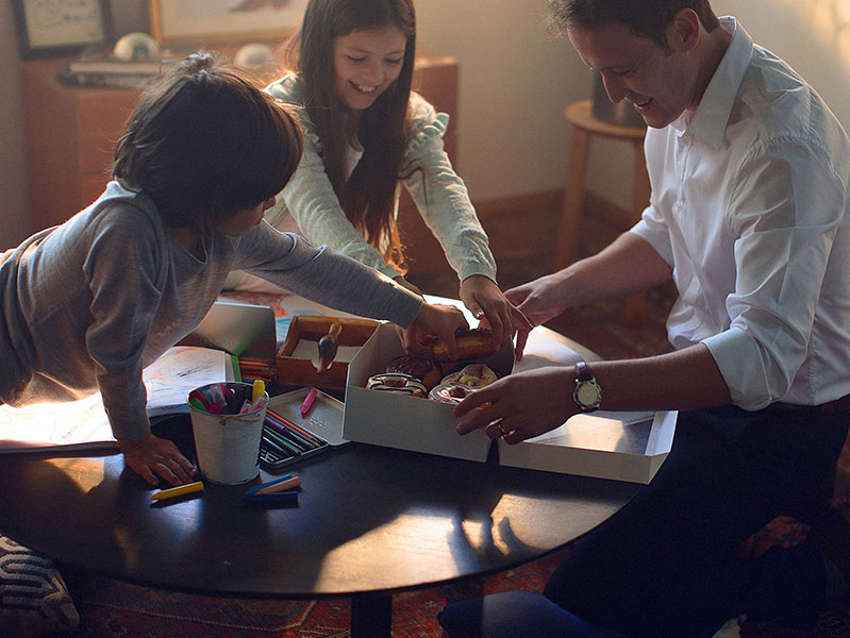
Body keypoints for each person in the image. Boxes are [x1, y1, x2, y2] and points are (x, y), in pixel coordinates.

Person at [440, 1, 850, 636]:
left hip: (781, 424)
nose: (611, 93)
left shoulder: (782, 147)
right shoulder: (674, 97)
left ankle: (796, 568)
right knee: (583, 523)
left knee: (586, 598)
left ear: (684, 30)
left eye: (622, 69)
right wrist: (557, 288)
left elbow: (766, 358)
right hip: (699, 393)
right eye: (597, 71)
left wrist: (580, 388)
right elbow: (667, 229)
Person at [0, 53, 468, 489]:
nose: (271, 205)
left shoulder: (225, 225)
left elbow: (312, 267)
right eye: (263, 195)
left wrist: (412, 310)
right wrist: (136, 440)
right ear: (213, 188)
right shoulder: (129, 234)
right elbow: (116, 355)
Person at [234, 0, 531, 350]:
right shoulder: (284, 110)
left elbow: (444, 190)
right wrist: (393, 290)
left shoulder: (409, 114)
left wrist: (476, 270)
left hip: (345, 284)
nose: (375, 77)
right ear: (320, 47)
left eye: (393, 60)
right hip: (250, 288)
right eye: (357, 58)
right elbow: (318, 212)